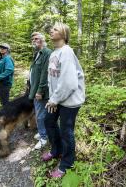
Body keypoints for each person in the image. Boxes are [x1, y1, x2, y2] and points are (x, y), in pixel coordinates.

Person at [39, 23, 86, 179]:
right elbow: (53, 79)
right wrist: (53, 98)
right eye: (52, 29)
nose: (51, 31)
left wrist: (55, 99)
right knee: (48, 121)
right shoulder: (54, 53)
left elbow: (69, 82)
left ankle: (67, 163)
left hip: (70, 100)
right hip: (58, 98)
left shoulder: (66, 52)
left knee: (66, 131)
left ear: (64, 35)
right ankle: (56, 150)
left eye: (56, 29)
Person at [29, 32, 53, 150]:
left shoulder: (47, 53)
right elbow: (35, 71)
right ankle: (43, 132)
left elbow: (45, 73)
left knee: (40, 115)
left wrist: (40, 91)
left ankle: (44, 138)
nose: (34, 40)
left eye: (37, 38)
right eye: (33, 39)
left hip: (41, 91)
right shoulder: (37, 53)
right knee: (39, 113)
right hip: (34, 89)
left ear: (43, 39)